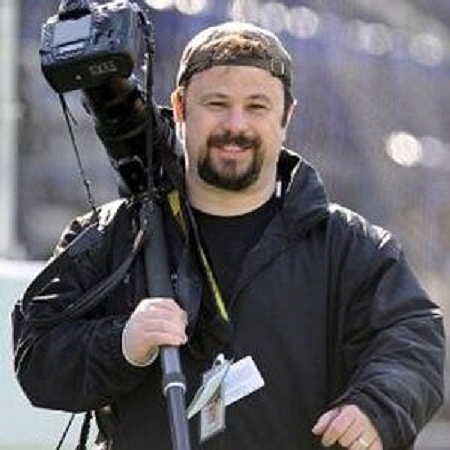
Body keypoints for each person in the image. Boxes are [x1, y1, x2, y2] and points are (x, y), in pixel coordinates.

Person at [13, 21, 445, 450]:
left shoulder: (351, 247)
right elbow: (36, 355)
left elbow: (414, 341)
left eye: (257, 106)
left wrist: (377, 407)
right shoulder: (113, 237)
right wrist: (122, 343)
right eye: (216, 103)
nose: (235, 125)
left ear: (286, 115)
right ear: (180, 109)